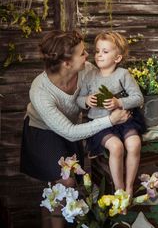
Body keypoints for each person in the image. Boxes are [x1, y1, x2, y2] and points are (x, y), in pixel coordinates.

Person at [20, 30, 130, 228]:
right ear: (66, 63)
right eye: (82, 53)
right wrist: (111, 121)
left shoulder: (86, 70)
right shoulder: (40, 91)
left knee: (67, 187)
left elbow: (105, 88)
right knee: (65, 184)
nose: (88, 55)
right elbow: (69, 131)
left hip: (71, 130)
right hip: (42, 132)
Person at [77, 31, 146, 198]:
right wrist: (86, 100)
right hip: (100, 124)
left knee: (134, 144)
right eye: (97, 51)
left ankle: (129, 186)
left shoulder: (123, 74)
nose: (99, 55)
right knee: (116, 147)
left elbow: (138, 98)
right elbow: (78, 100)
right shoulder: (89, 76)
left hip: (124, 120)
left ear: (117, 58)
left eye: (105, 52)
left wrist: (119, 102)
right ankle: (119, 189)